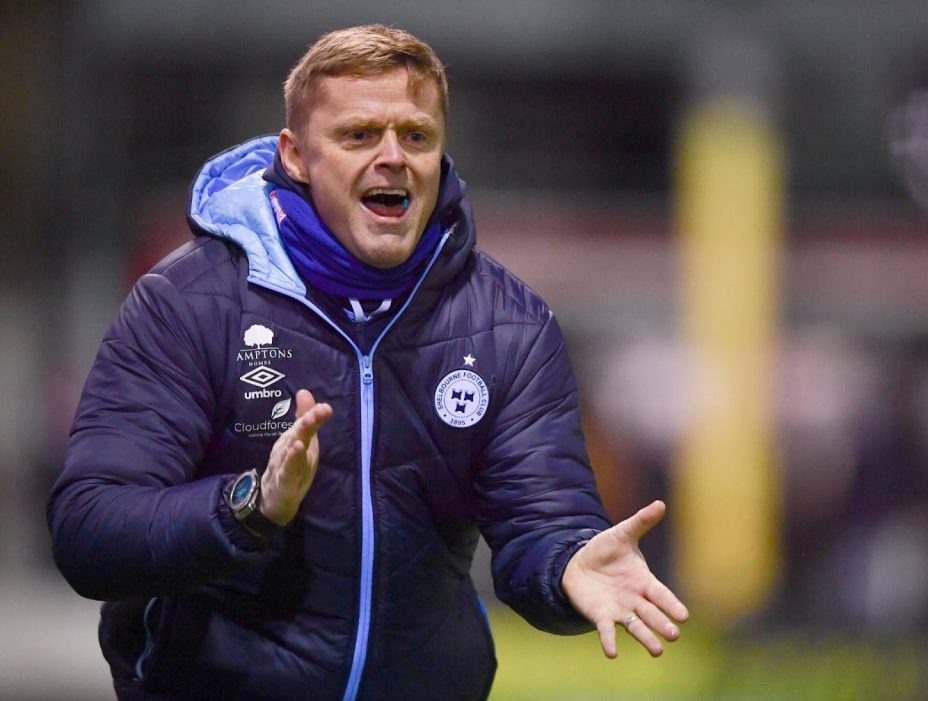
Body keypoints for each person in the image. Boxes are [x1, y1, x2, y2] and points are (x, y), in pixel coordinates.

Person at [47, 24, 688, 701]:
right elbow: (92, 527)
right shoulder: (189, 305)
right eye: (358, 135)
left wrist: (567, 563)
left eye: (416, 135)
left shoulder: (507, 325)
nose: (393, 157)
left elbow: (542, 521)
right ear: (295, 155)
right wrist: (250, 506)